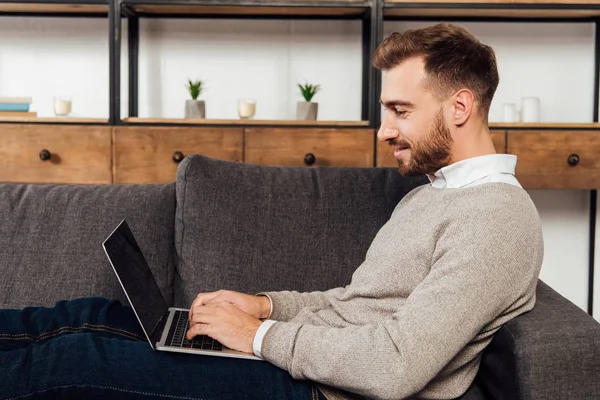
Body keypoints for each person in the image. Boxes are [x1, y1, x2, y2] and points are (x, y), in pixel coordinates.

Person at [0, 22, 543, 400]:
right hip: (308, 366)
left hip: (318, 391)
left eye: (400, 111)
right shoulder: (434, 193)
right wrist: (265, 306)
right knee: (91, 315)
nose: (385, 131)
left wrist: (256, 337)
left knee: (68, 359)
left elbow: (395, 365)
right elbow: (356, 304)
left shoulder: (496, 220)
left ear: (460, 106)